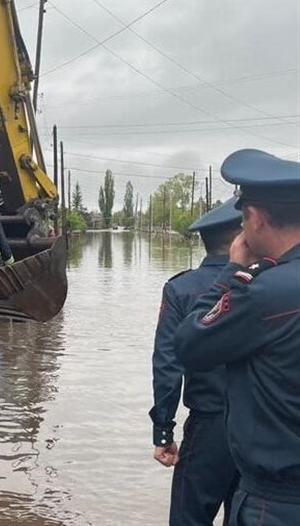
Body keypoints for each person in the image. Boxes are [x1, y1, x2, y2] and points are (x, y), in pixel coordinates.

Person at [175, 148, 300, 525]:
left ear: (256, 219)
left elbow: (190, 344)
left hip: (277, 503)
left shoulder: (266, 293)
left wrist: (231, 271)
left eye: (243, 220)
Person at [149, 197, 241, 526]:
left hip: (208, 428)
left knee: (189, 518)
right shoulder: (268, 285)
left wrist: (163, 430)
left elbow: (167, 364)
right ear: (241, 236)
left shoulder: (181, 289)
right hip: (262, 429)